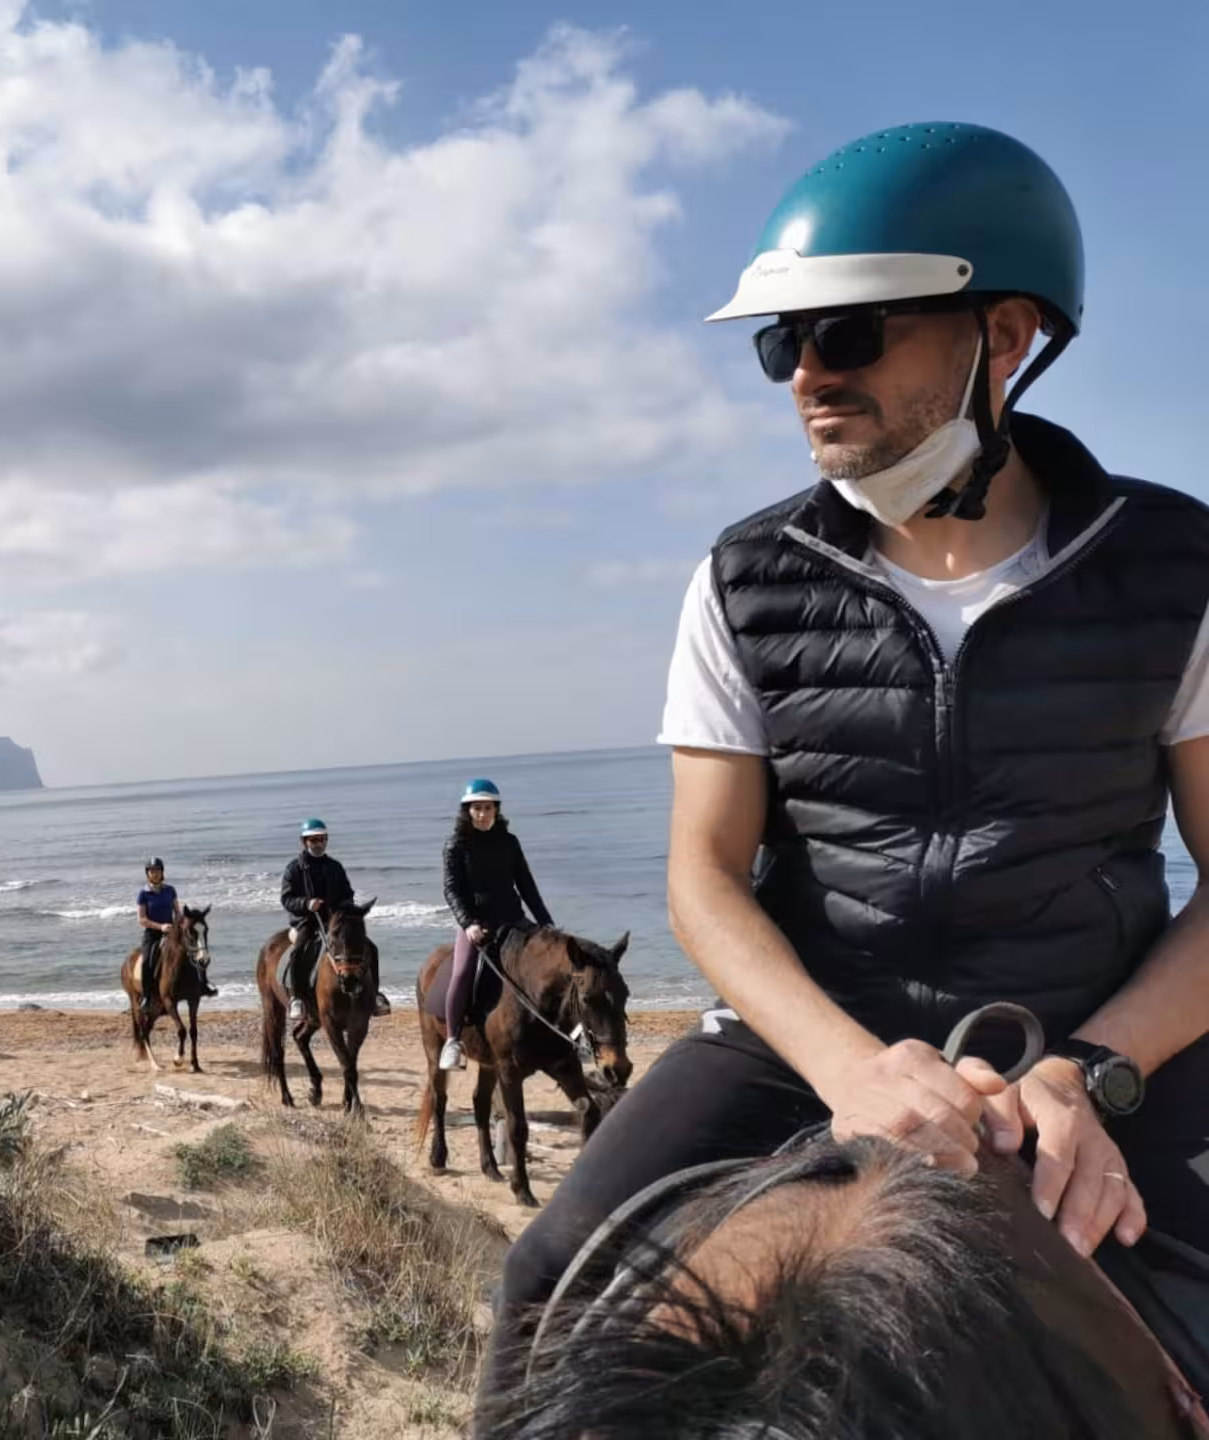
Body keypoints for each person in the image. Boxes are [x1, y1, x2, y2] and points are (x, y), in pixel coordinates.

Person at [478, 120, 1209, 1406]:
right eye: (785, 342)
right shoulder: (743, 578)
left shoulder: (1175, 568)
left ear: (1006, 336)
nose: (807, 375)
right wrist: (846, 1068)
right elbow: (705, 876)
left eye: (850, 333)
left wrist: (1087, 1070)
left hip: (1096, 1021)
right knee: (546, 1279)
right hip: (817, 1031)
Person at [437, 779, 553, 1072]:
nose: (482, 813)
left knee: (549, 963)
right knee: (463, 972)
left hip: (513, 918)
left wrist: (545, 922)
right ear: (467, 810)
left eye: (488, 808)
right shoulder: (455, 845)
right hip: (477, 924)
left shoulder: (509, 841)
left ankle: (563, 1034)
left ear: (496, 809)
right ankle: (452, 1040)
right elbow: (451, 890)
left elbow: (526, 884)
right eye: (477, 808)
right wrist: (468, 924)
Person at [280, 818, 391, 1020]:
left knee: (370, 948)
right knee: (298, 951)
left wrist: (349, 909)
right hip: (307, 920)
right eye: (314, 840)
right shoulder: (294, 869)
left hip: (335, 921)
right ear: (304, 842)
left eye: (322, 839)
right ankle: (297, 998)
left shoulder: (334, 867)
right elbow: (286, 899)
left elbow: (347, 893)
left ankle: (374, 995)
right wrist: (306, 904)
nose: (319, 844)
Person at [136, 858, 182, 1000]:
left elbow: (178, 912)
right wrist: (161, 927)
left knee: (193, 952)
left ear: (162, 872)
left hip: (171, 932)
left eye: (157, 870)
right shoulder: (143, 894)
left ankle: (200, 984)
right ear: (147, 874)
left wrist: (177, 924)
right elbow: (142, 919)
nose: (155, 874)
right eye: (151, 871)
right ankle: (147, 996)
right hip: (153, 933)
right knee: (146, 961)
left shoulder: (170, 890)